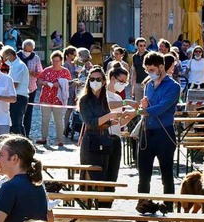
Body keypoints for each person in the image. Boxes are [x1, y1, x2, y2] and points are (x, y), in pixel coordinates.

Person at [77, 66, 132, 208]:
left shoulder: (104, 100)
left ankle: (103, 211)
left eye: (98, 79)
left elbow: (105, 122)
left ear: (103, 81)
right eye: (92, 79)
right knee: (91, 179)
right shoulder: (84, 100)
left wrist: (113, 121)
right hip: (91, 143)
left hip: (106, 140)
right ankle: (87, 213)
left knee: (108, 178)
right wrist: (110, 116)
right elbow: (90, 122)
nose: (95, 82)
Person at [137, 52, 180, 201]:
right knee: (143, 175)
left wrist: (142, 111)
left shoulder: (174, 86)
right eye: (147, 70)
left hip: (164, 133)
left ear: (161, 67)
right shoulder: (148, 84)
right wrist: (144, 105)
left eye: (152, 70)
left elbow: (162, 107)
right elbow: (148, 106)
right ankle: (142, 206)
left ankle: (168, 207)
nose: (150, 73)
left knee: (166, 174)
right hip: (147, 132)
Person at [37, 50, 72, 146]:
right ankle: (44, 138)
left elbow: (69, 82)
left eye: (57, 61)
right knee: (45, 119)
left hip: (58, 99)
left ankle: (60, 140)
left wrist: (60, 84)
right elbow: (39, 79)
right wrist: (45, 83)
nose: (55, 63)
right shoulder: (47, 70)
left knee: (58, 120)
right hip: (46, 97)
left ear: (61, 61)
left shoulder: (65, 71)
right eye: (53, 61)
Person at [1, 46, 29, 135]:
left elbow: (14, 85)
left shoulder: (18, 66)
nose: (4, 60)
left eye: (5, 57)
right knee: (17, 123)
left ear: (11, 55)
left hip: (18, 97)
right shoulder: (14, 66)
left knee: (15, 123)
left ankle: (19, 145)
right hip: (17, 96)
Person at [19, 39, 44, 138]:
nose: (27, 53)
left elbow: (40, 73)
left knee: (28, 112)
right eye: (26, 50)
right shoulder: (17, 56)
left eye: (29, 51)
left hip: (31, 88)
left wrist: (31, 73)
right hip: (18, 89)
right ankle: (18, 132)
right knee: (18, 112)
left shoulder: (36, 58)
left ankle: (27, 133)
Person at [131, 37, 149, 102]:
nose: (142, 47)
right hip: (138, 83)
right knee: (137, 104)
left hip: (148, 83)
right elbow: (134, 72)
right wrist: (132, 87)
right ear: (137, 46)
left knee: (146, 103)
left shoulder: (149, 55)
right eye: (140, 45)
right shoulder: (134, 57)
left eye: (144, 45)